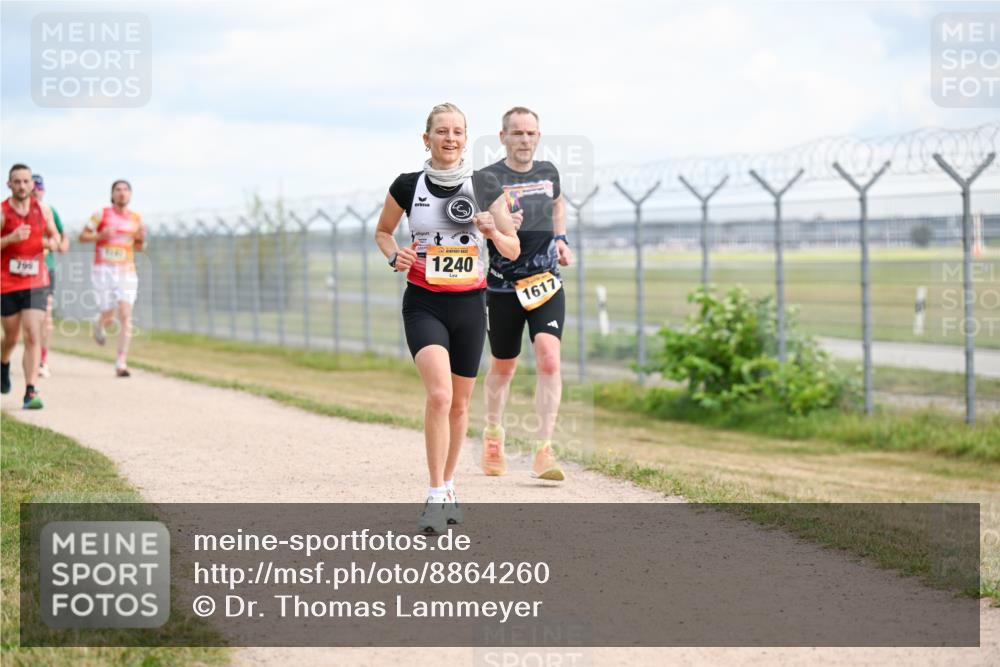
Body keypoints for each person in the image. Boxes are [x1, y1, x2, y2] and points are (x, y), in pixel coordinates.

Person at [375, 103, 519, 533]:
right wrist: (393, 254)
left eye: (458, 131)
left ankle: (450, 484)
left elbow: (511, 249)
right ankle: (435, 493)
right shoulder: (406, 185)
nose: (450, 138)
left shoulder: (486, 184)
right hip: (424, 302)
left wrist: (493, 232)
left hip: (471, 305)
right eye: (442, 131)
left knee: (459, 405)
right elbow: (383, 232)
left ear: (465, 137)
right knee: (439, 395)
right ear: (427, 139)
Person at [480, 107, 573, 481]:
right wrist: (499, 225)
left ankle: (544, 451)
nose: (525, 140)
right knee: (504, 367)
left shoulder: (549, 172)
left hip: (546, 281)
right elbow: (478, 220)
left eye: (531, 133)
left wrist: (562, 240)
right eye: (517, 133)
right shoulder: (488, 179)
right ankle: (493, 436)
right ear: (502, 137)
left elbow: (558, 203)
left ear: (538, 136)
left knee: (550, 360)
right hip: (503, 286)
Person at [1, 164, 62, 409]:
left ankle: (30, 391)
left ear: (32, 185)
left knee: (32, 332)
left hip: (37, 280)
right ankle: (3, 364)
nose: (23, 186)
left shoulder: (43, 211)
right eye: (17, 181)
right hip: (6, 282)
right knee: (12, 337)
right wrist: (10, 238)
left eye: (27, 181)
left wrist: (49, 242)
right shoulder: (3, 213)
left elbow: (56, 238)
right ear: (9, 185)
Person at [78, 179, 146, 377]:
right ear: (112, 194)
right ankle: (99, 324)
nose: (122, 193)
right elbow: (82, 237)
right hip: (103, 270)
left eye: (125, 190)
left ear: (130, 194)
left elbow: (140, 247)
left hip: (126, 270)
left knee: (125, 314)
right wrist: (100, 236)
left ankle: (121, 362)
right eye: (118, 190)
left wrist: (142, 239)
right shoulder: (101, 214)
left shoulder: (136, 218)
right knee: (109, 314)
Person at [32, 174, 69, 378]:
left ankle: (42, 360)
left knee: (45, 317)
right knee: (19, 321)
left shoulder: (49, 211)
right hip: (17, 272)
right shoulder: (10, 211)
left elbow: (61, 235)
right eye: (33, 186)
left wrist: (60, 244)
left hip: (46, 269)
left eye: (40, 187)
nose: (36, 190)